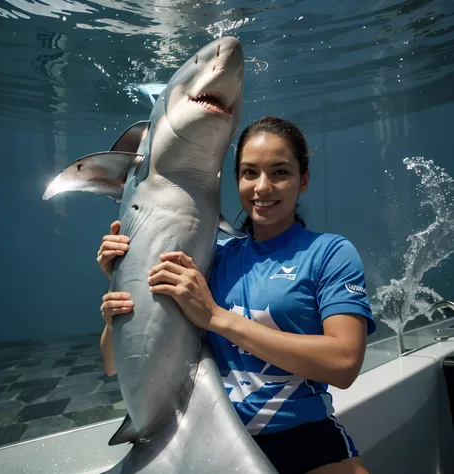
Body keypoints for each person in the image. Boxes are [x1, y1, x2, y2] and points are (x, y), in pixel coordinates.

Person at [97, 117, 376, 474]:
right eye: (249, 173)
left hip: (306, 438)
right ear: (236, 180)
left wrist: (217, 318)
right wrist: (122, 283)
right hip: (207, 438)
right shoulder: (210, 257)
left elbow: (343, 364)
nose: (263, 187)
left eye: (280, 172)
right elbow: (112, 364)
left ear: (303, 180)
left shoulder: (330, 253)